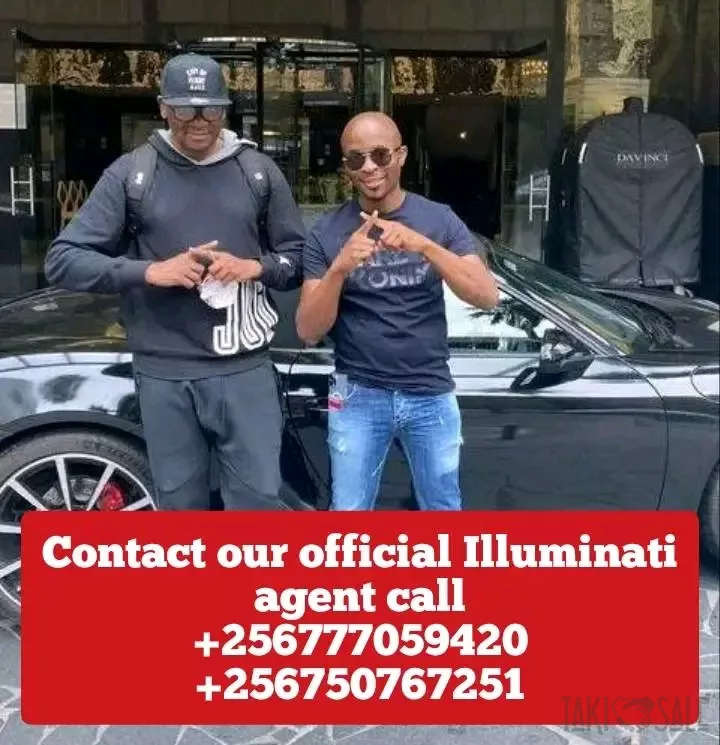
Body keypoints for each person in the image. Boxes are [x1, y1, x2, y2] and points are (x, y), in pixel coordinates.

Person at [44, 53, 307, 511]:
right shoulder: (132, 174)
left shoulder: (258, 171)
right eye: (185, 108)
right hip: (164, 370)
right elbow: (63, 261)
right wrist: (149, 271)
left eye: (211, 108)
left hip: (244, 368)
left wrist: (255, 267)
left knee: (258, 504)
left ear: (225, 109)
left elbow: (299, 259)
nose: (199, 120)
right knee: (179, 507)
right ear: (164, 107)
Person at [296, 111, 499, 511]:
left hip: (430, 391)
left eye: (380, 155)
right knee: (349, 512)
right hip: (357, 393)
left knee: (442, 508)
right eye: (356, 159)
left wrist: (423, 245)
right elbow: (307, 330)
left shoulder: (438, 219)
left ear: (401, 156)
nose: (369, 167)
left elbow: (486, 296)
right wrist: (340, 268)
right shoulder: (326, 231)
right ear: (346, 167)